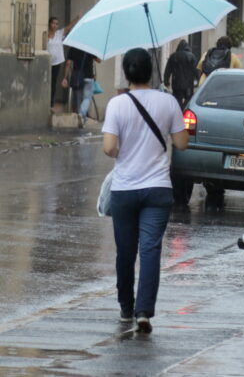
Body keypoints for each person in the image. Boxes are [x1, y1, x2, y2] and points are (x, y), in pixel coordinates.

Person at [101, 47, 189, 333]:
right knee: (150, 250)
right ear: (151, 71)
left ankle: (126, 307)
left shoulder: (117, 104)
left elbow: (109, 148)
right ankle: (144, 312)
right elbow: (182, 143)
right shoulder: (168, 102)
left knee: (125, 251)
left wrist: (124, 150)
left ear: (127, 73)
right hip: (158, 188)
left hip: (125, 189)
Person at [44, 14, 79, 112]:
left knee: (53, 82)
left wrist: (76, 18)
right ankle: (45, 101)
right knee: (46, 82)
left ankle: (51, 104)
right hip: (47, 62)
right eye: (53, 23)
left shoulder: (59, 34)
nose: (55, 25)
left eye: (56, 24)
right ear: (49, 24)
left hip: (57, 62)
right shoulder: (45, 34)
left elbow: (68, 27)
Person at [62, 45, 99, 126]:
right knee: (87, 98)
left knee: (78, 99)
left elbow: (68, 63)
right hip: (89, 77)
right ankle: (81, 115)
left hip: (77, 77)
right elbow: (99, 60)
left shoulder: (73, 47)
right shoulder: (90, 47)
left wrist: (65, 77)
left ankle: (80, 118)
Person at [163, 40, 198, 109]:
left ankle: (180, 110)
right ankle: (184, 109)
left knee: (177, 100)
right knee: (189, 99)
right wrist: (197, 80)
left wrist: (166, 82)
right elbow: (196, 70)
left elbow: (167, 71)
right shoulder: (192, 56)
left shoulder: (173, 56)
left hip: (176, 83)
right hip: (188, 84)